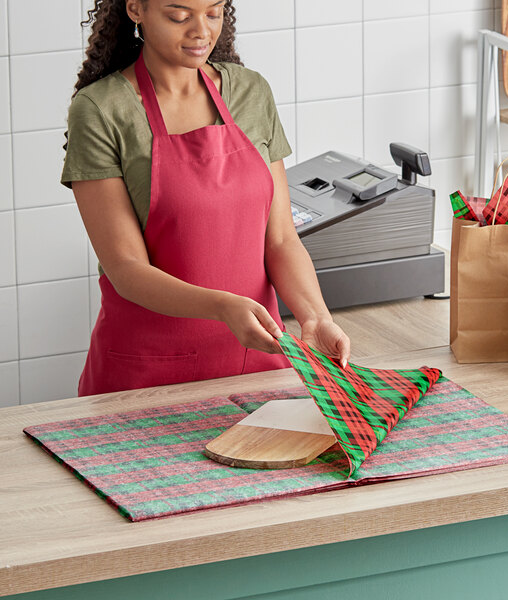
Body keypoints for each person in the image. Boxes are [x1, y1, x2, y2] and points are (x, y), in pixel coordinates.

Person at [61, 0, 350, 396]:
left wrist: (315, 318)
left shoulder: (250, 92)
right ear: (135, 10)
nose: (202, 31)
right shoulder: (100, 110)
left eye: (213, 13)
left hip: (258, 368)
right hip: (145, 377)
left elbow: (280, 239)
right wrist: (223, 307)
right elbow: (125, 268)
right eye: (179, 16)